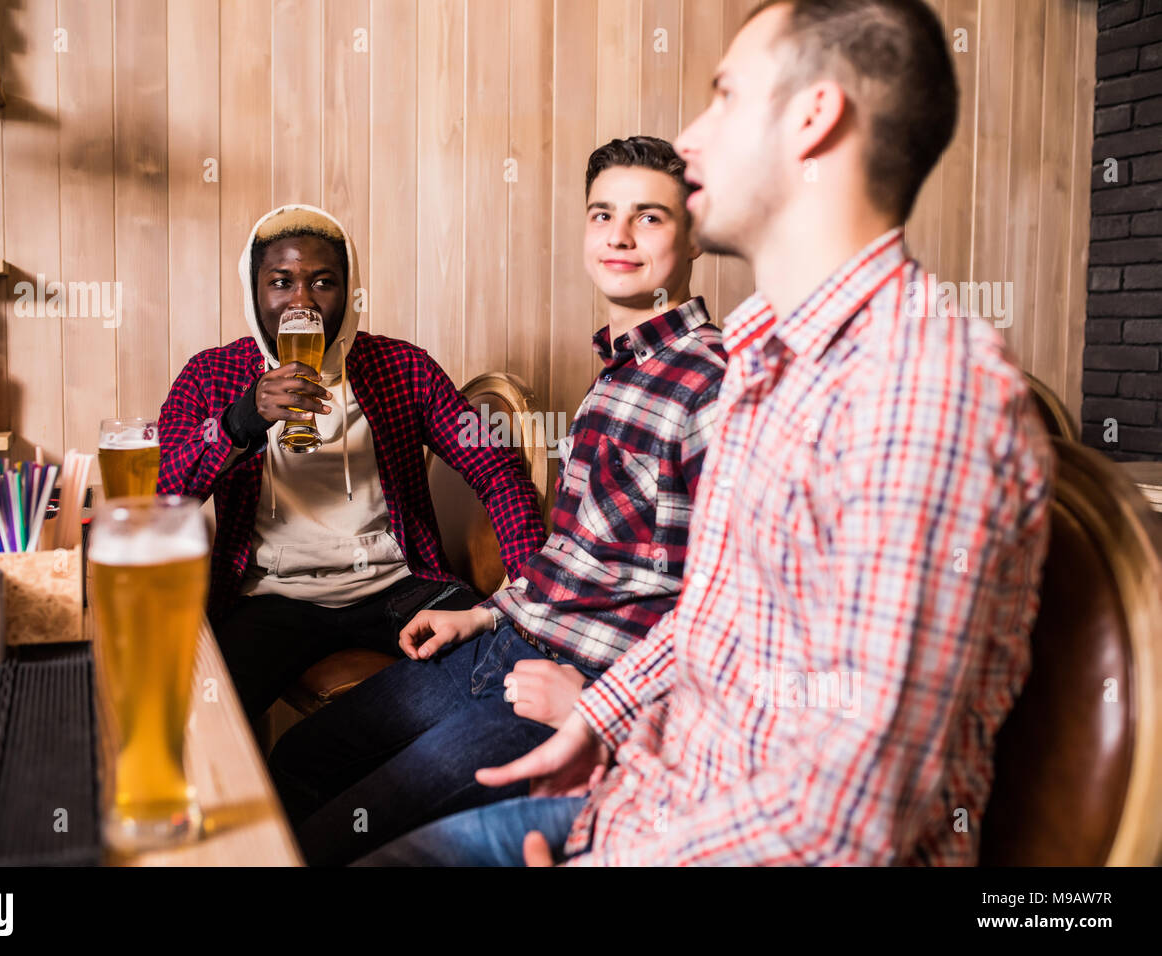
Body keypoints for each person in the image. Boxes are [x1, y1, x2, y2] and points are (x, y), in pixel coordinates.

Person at [357, 0, 1054, 867]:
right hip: (637, 795)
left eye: (724, 95)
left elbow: (842, 822)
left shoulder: (915, 393)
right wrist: (599, 720)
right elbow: (711, 616)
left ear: (813, 117)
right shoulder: (775, 360)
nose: (690, 139)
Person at [267, 137, 728, 866]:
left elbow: (728, 608)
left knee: (337, 837)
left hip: (574, 683)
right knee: (293, 763)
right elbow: (578, 558)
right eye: (602, 213)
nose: (618, 234)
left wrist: (602, 706)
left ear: (696, 232)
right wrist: (482, 612)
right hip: (499, 643)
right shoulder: (618, 374)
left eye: (650, 218)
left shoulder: (713, 386)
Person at [156, 203, 547, 726]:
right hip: (270, 599)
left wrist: (532, 596)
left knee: (512, 669)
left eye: (323, 282)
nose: (302, 303)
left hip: (397, 586)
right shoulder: (213, 375)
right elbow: (160, 497)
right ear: (255, 294)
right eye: (281, 282)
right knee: (200, 715)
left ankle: (392, 786)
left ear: (349, 290)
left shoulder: (402, 367)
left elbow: (497, 470)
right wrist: (241, 420)